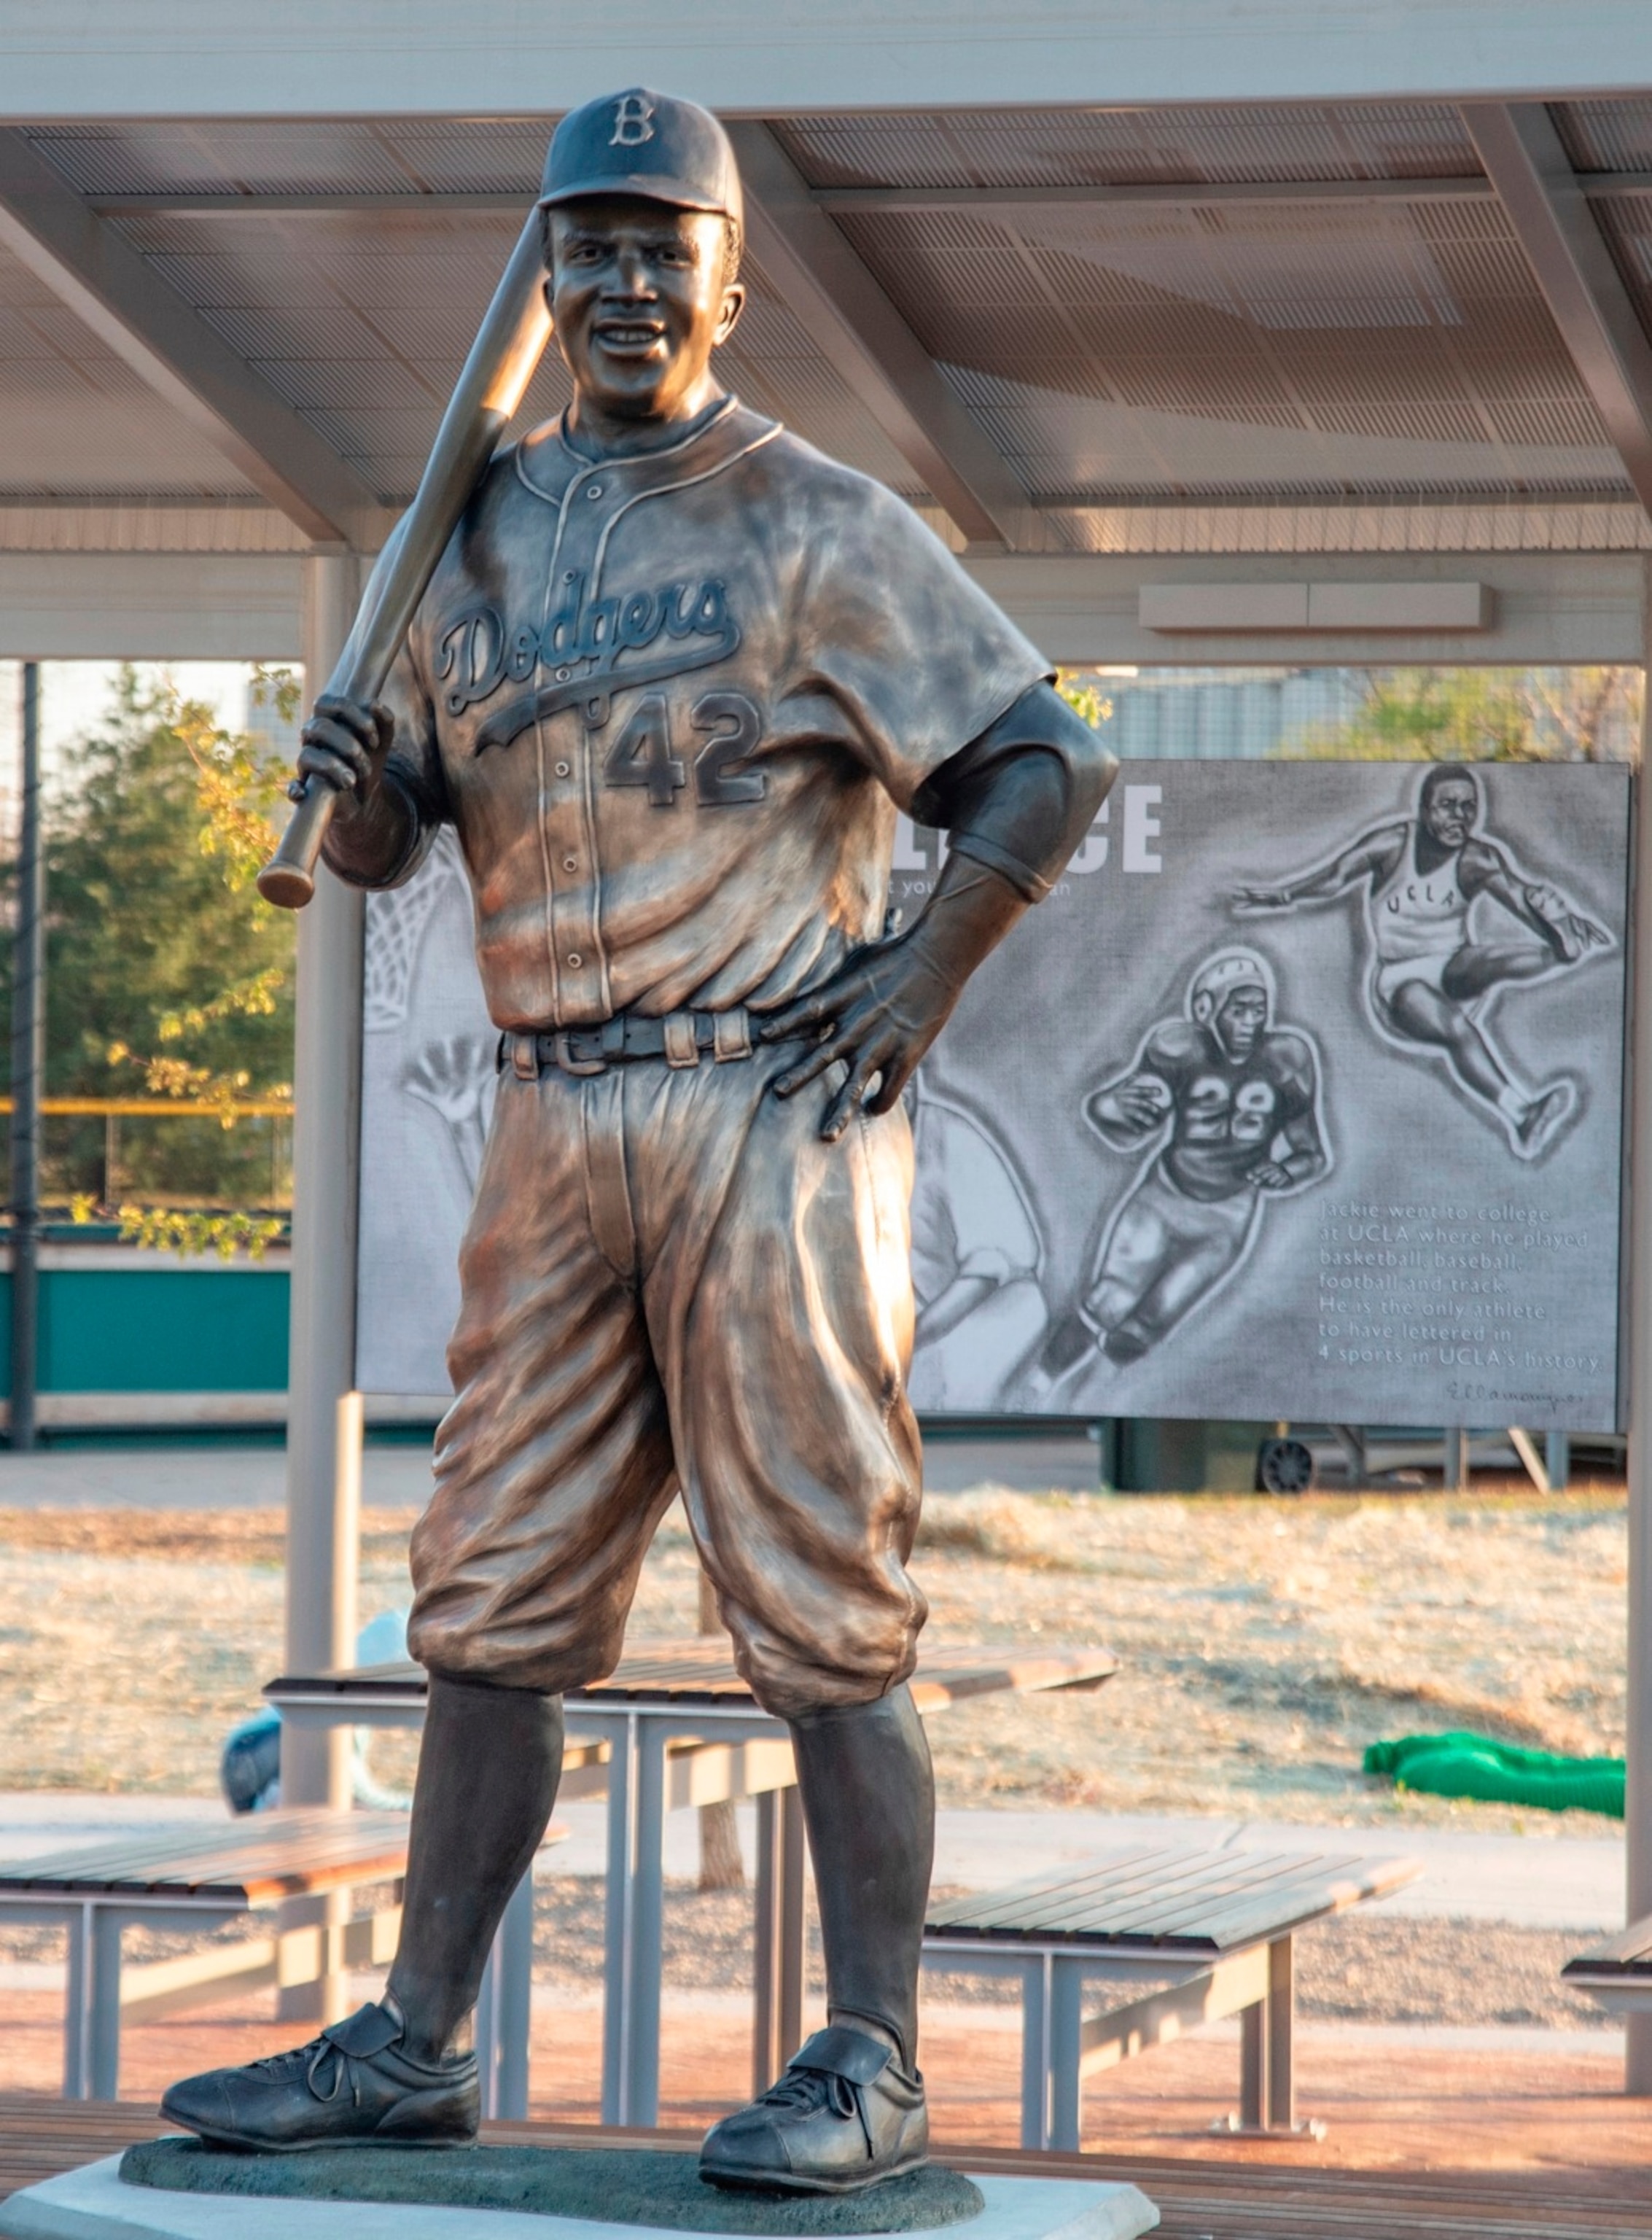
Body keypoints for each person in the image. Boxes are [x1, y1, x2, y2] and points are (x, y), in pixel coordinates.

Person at [159, 89, 1111, 2193]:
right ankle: (417, 2038)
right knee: (488, 1604)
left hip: (762, 1113)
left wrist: (914, 980)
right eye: (583, 245)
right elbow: (403, 823)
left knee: (825, 1608)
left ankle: (871, 2054)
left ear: (725, 281)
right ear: (547, 281)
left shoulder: (814, 519)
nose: (615, 280)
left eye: (656, 244)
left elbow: (1042, 762)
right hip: (550, 1114)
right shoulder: (469, 525)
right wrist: (355, 782)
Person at [1232, 763, 1608, 1159]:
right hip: (1398, 982)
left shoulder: (1478, 859)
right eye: (1448, 806)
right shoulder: (1393, 845)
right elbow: (1336, 876)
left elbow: (1519, 899)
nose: (1459, 818)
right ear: (1425, 810)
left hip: (1453, 966)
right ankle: (1521, 1115)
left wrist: (1556, 922)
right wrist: (1285, 895)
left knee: (1506, 958)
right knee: (1456, 1029)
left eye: (1468, 807)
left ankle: (1559, 953)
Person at [1026, 948, 1326, 1392]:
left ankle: (1086, 1396)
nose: (1250, 1023)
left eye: (1258, 1011)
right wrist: (1110, 1105)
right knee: (1108, 1300)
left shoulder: (1287, 1058)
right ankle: (1039, 1385)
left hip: (1228, 1215)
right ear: (1206, 1009)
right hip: (1164, 1196)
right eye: (1239, 1010)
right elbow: (1122, 1127)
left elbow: (1313, 1153)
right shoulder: (1178, 1047)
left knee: (1146, 1327)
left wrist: (1289, 1170)